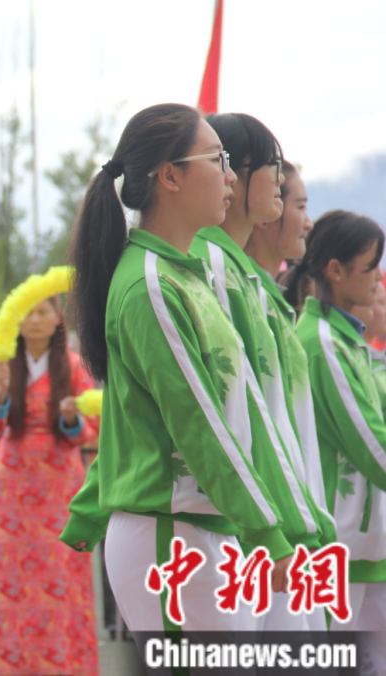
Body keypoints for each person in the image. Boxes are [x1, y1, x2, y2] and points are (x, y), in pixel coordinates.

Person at [58, 104, 294, 646]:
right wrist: (268, 535)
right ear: (169, 176)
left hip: (205, 530)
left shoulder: (181, 276)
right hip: (173, 538)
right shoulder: (151, 285)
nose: (231, 177)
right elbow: (198, 423)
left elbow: (157, 414)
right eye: (217, 159)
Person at [188, 114, 330, 630]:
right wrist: (282, 528)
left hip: (282, 522)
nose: (280, 179)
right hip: (255, 530)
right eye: (274, 166)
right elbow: (228, 416)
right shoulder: (210, 270)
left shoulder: (247, 279)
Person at [0, 285, 98, 676]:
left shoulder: (75, 366)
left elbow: (90, 431)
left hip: (60, 477)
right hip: (13, 479)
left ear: (57, 318)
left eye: (42, 312)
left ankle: (66, 664)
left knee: (62, 567)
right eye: (27, 313)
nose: (34, 320)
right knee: (11, 569)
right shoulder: (0, 366)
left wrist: (71, 419)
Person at [289, 211, 386, 653]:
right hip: (337, 549)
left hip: (360, 550)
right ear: (336, 270)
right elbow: (373, 447)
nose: (379, 278)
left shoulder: (345, 342)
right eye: (371, 266)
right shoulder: (323, 344)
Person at [243, 160, 332, 545]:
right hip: (274, 535)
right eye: (301, 206)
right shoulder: (238, 297)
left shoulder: (269, 302)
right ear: (267, 209)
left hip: (294, 525)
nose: (308, 223)